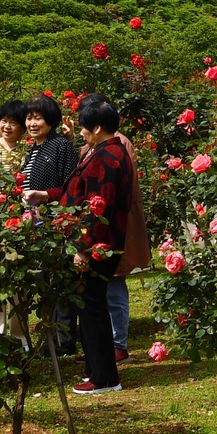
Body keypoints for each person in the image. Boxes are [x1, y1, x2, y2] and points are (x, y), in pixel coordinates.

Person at [64, 92, 133, 394]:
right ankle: (96, 368)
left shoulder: (106, 158)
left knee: (92, 308)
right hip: (101, 243)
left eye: (83, 127)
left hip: (98, 246)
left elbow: (97, 207)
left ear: (96, 128)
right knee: (90, 307)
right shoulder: (108, 152)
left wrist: (84, 248)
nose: (80, 131)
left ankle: (105, 377)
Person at [106, 124, 151, 362]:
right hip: (102, 229)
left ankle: (118, 345)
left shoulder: (119, 144)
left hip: (116, 226)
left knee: (114, 290)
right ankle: (106, 345)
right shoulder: (92, 144)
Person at [18, 93, 77, 206]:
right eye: (29, 118)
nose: (32, 124)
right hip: (30, 219)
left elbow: (72, 186)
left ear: (50, 119)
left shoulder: (60, 145)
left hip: (52, 217)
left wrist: (46, 195)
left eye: (38, 118)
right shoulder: (31, 150)